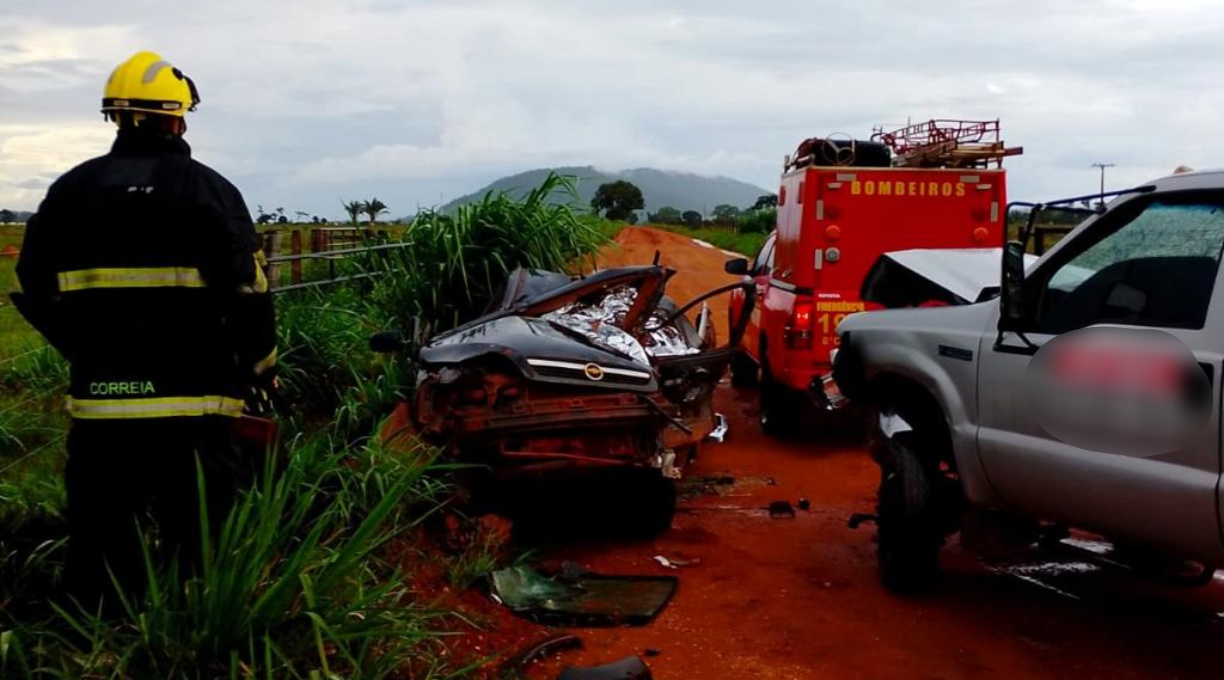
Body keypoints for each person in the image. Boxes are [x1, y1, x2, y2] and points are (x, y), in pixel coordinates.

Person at [12, 51, 277, 607]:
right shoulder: (209, 191)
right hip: (197, 408)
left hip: (102, 411)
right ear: (178, 118)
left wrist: (85, 349)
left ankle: (97, 644)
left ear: (115, 117)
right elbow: (249, 293)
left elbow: (32, 286)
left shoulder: (69, 192)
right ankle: (194, 641)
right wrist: (258, 368)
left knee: (102, 546)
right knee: (200, 549)